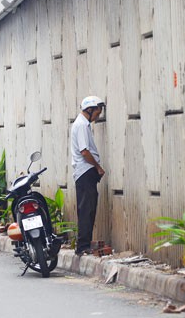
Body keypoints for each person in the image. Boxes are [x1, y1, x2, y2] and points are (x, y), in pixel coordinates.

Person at [71, 96, 106, 256]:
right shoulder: (82, 125)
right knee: (86, 209)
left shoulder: (82, 124)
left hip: (85, 172)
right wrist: (98, 167)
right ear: (90, 110)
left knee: (89, 208)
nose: (98, 116)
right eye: (97, 112)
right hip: (85, 171)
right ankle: (82, 246)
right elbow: (84, 151)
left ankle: (84, 244)